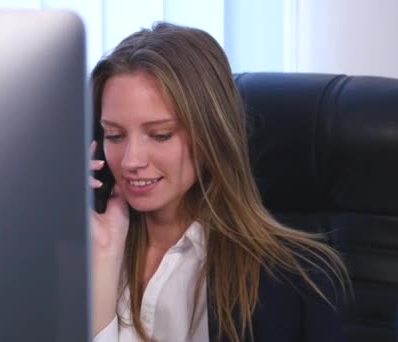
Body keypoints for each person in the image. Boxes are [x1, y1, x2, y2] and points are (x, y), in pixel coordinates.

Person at [88, 22, 350, 342]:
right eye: (114, 134)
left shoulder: (298, 281)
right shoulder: (75, 254)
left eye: (160, 134)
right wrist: (102, 254)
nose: (130, 161)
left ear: (211, 134)